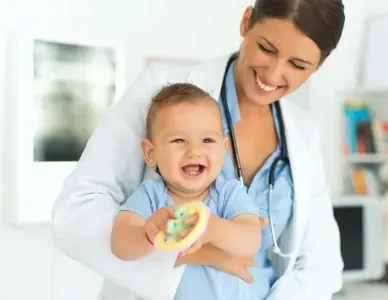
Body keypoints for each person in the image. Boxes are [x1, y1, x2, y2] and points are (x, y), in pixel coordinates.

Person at [51, 0, 346, 299]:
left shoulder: (304, 133)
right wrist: (185, 253)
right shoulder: (162, 91)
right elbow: (76, 211)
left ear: (319, 64)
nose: (272, 74)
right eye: (267, 49)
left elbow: (321, 263)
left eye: (297, 65)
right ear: (246, 22)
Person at [110, 83, 261, 299]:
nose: (195, 151)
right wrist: (148, 233)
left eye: (208, 140)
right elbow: (120, 245)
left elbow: (250, 240)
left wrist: (212, 228)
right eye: (179, 140)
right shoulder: (152, 196)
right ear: (151, 153)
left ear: (223, 148)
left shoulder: (228, 194)